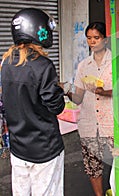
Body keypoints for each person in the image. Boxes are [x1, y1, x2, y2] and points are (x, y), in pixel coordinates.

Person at [1, 8, 65, 195]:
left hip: (19, 148)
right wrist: (59, 90)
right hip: (45, 149)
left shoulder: (6, 63)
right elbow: (56, 106)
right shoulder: (43, 65)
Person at [63, 22, 119, 196]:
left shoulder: (117, 60)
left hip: (112, 123)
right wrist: (65, 90)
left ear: (105, 40)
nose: (92, 42)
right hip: (89, 124)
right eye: (89, 38)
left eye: (96, 38)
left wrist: (103, 91)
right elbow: (78, 98)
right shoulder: (84, 65)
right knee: (93, 167)